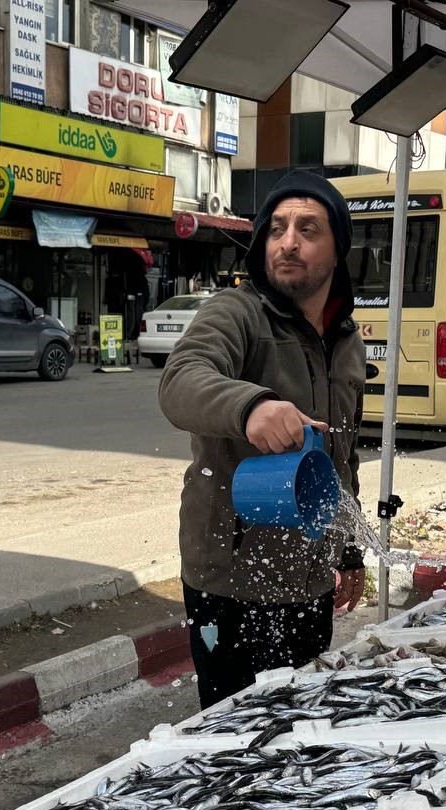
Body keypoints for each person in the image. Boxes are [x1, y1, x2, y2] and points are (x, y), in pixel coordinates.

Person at [159, 171, 366, 709]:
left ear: (337, 249)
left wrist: (348, 552)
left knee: (297, 728)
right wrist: (249, 406)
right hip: (231, 583)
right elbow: (180, 380)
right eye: (276, 228)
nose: (288, 241)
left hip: (310, 580)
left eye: (307, 228)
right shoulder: (237, 313)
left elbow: (343, 457)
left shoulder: (346, 339)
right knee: (233, 742)